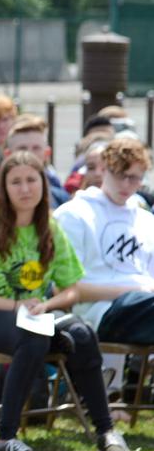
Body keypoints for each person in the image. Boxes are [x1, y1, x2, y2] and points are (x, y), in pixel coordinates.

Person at [0, 151, 129, 451]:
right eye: (15, 181)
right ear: (3, 187)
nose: (24, 188)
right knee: (32, 336)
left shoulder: (49, 226)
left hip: (36, 316)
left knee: (83, 333)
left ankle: (107, 431)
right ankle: (6, 440)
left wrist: (48, 303)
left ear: (43, 186)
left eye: (31, 180)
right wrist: (16, 304)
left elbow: (71, 288)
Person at [54, 138, 154, 346]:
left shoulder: (145, 220)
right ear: (103, 168)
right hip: (100, 311)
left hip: (143, 307)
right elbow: (64, 288)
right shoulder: (74, 214)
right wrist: (131, 290)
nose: (127, 184)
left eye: (135, 178)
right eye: (120, 175)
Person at [5, 114, 70, 207]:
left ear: (47, 153)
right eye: (22, 148)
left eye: (36, 148)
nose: (29, 154)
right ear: (8, 154)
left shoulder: (61, 200)